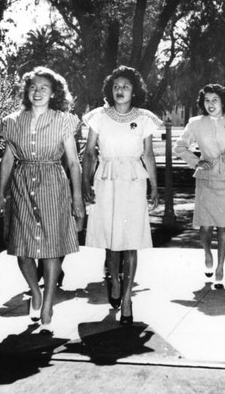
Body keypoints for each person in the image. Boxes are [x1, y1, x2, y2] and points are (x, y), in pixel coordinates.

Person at [0, 66, 85, 333]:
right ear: (27, 91)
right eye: (33, 87)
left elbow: (73, 161)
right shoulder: (13, 121)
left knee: (51, 246)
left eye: (44, 88)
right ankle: (34, 291)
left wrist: (77, 198)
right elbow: (8, 159)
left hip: (53, 184)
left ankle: (47, 302)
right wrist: (1, 193)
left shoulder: (63, 120)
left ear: (54, 92)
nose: (38, 92)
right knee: (22, 248)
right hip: (22, 184)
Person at [82, 65, 162, 325]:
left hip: (133, 180)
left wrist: (154, 186)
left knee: (130, 240)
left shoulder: (146, 118)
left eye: (126, 86)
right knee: (111, 238)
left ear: (134, 91)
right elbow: (90, 152)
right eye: (116, 86)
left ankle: (127, 298)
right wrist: (86, 183)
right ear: (110, 89)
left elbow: (148, 155)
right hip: (106, 179)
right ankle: (114, 280)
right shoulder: (99, 117)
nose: (120, 90)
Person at [174, 84, 225, 288]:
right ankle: (207, 253)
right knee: (205, 226)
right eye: (207, 100)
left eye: (215, 100)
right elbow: (180, 146)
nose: (210, 104)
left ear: (223, 101)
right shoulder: (195, 123)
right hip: (205, 179)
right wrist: (196, 161)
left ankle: (221, 266)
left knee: (224, 226)